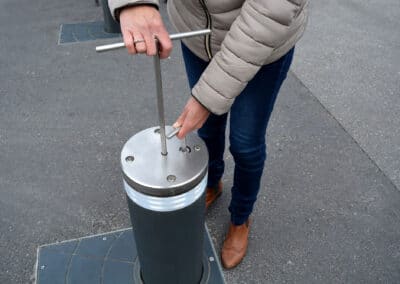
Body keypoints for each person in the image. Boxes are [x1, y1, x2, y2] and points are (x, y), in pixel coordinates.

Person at [109, 0, 308, 269]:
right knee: (207, 129)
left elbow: (273, 8)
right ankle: (212, 182)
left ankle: (241, 216)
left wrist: (208, 97)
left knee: (245, 143)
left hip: (262, 42)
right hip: (197, 35)